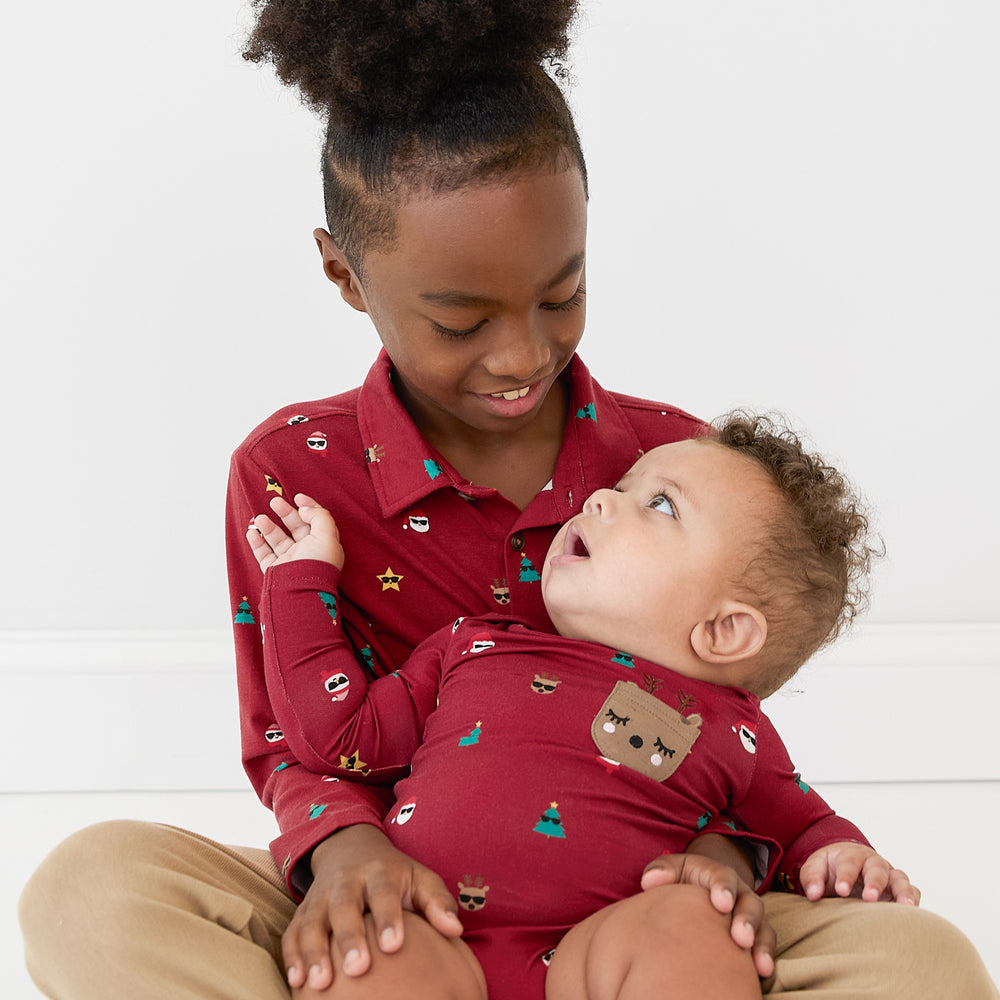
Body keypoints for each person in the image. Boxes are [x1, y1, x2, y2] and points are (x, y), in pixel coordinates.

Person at [17, 2, 999, 999]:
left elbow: (722, 738)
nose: (523, 353)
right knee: (87, 894)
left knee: (922, 966)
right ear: (343, 273)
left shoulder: (671, 457)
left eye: (560, 293)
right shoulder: (291, 468)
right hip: (396, 899)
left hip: (642, 913)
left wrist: (724, 866)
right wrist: (343, 857)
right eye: (461, 318)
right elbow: (294, 732)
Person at [245, 411, 917, 1000]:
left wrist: (844, 856)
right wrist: (302, 580)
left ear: (724, 631)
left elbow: (802, 824)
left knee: (693, 924)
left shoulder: (734, 729)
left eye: (660, 505)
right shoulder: (472, 645)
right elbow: (340, 737)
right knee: (369, 947)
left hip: (599, 954)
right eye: (622, 486)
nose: (599, 499)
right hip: (428, 928)